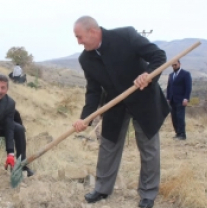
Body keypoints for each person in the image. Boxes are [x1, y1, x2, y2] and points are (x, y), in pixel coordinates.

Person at [72, 16, 169, 208]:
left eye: (80, 37)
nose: (78, 42)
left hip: (143, 98)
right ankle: (102, 188)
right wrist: (85, 118)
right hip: (115, 104)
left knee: (148, 147)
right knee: (108, 145)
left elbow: (158, 56)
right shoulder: (85, 59)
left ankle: (148, 194)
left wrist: (148, 75)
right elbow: (93, 91)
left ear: (92, 31)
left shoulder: (125, 35)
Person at [166, 60, 192, 140]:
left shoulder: (185, 74)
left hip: (181, 99)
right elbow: (169, 87)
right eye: (173, 65)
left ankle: (182, 134)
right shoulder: (171, 75)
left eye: (175, 65)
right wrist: (168, 98)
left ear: (180, 64)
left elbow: (188, 87)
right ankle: (177, 133)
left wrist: (186, 98)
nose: (174, 67)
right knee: (174, 118)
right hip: (172, 100)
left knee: (180, 117)